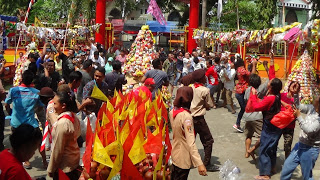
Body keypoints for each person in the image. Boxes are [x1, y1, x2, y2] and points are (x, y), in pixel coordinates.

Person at [249, 78, 284, 180]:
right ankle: (272, 168)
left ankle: (265, 174)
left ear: (271, 87)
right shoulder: (277, 95)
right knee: (272, 148)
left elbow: (256, 107)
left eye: (269, 83)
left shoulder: (270, 98)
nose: (267, 83)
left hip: (269, 126)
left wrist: (253, 95)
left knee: (264, 149)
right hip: (276, 125)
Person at [170, 86, 207, 179]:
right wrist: (199, 163)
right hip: (183, 157)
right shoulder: (186, 116)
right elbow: (190, 142)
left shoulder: (173, 111)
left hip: (174, 152)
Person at [280, 96, 320, 180]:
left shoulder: (319, 120)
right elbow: (297, 106)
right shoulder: (312, 108)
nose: (316, 97)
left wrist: (299, 116)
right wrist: (295, 94)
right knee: (286, 169)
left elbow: (309, 130)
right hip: (300, 146)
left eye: (318, 97)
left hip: (310, 150)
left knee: (307, 176)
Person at [47, 91, 81, 180]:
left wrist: (51, 168)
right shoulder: (73, 117)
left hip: (65, 166)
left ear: (63, 106)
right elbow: (78, 134)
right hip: (73, 160)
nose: (53, 106)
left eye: (55, 104)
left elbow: (57, 149)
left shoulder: (62, 123)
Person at [190, 69, 219, 172]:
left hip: (189, 118)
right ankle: (207, 163)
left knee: (189, 140)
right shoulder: (204, 90)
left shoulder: (190, 87)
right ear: (202, 78)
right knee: (208, 141)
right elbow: (209, 104)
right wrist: (205, 105)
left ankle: (187, 161)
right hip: (199, 119)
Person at [233, 58, 257, 133]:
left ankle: (240, 124)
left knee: (244, 109)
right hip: (241, 92)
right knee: (245, 109)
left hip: (241, 91)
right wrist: (253, 65)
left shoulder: (239, 69)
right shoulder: (241, 69)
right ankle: (240, 124)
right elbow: (252, 75)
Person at [280, 81, 300, 159]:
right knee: (273, 143)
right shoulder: (282, 95)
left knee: (288, 146)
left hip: (289, 126)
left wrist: (295, 94)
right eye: (294, 85)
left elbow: (297, 107)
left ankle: (287, 164)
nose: (295, 87)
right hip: (279, 123)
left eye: (297, 87)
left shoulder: (296, 98)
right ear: (289, 86)